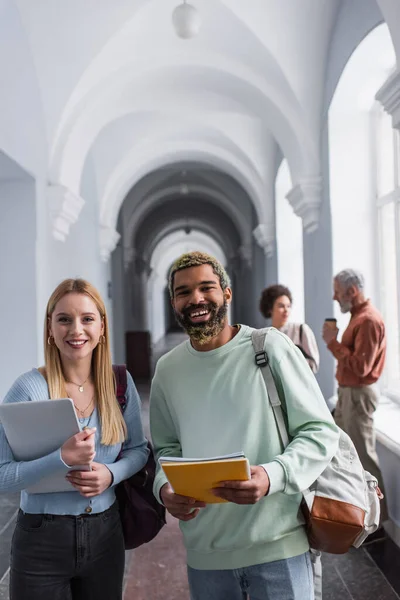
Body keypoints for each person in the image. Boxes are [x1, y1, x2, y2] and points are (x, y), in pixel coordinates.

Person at [150, 251, 339, 600]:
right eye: (183, 292)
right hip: (205, 554)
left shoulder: (269, 346)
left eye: (207, 287)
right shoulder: (167, 370)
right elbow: (165, 448)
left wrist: (272, 476)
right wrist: (165, 489)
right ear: (174, 302)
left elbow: (320, 431)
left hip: (278, 547)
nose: (196, 299)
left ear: (227, 293)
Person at [0, 278, 149, 600]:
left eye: (87, 318)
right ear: (50, 329)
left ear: (102, 327)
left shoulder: (119, 384)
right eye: (64, 319)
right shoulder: (28, 389)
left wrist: (111, 474)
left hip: (106, 533)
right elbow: (2, 475)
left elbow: (138, 450)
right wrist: (61, 459)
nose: (76, 330)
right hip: (41, 539)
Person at [322, 268, 388, 530]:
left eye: (337, 292)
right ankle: (359, 515)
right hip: (349, 393)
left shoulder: (368, 320)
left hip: (359, 395)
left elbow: (361, 367)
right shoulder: (357, 317)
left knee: (364, 457)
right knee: (349, 456)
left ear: (352, 291)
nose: (335, 298)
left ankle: (378, 524)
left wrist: (332, 342)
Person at [259, 284, 320, 373]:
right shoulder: (264, 335)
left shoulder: (301, 330)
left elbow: (313, 364)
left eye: (288, 306)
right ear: (269, 309)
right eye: (281, 306)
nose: (286, 310)